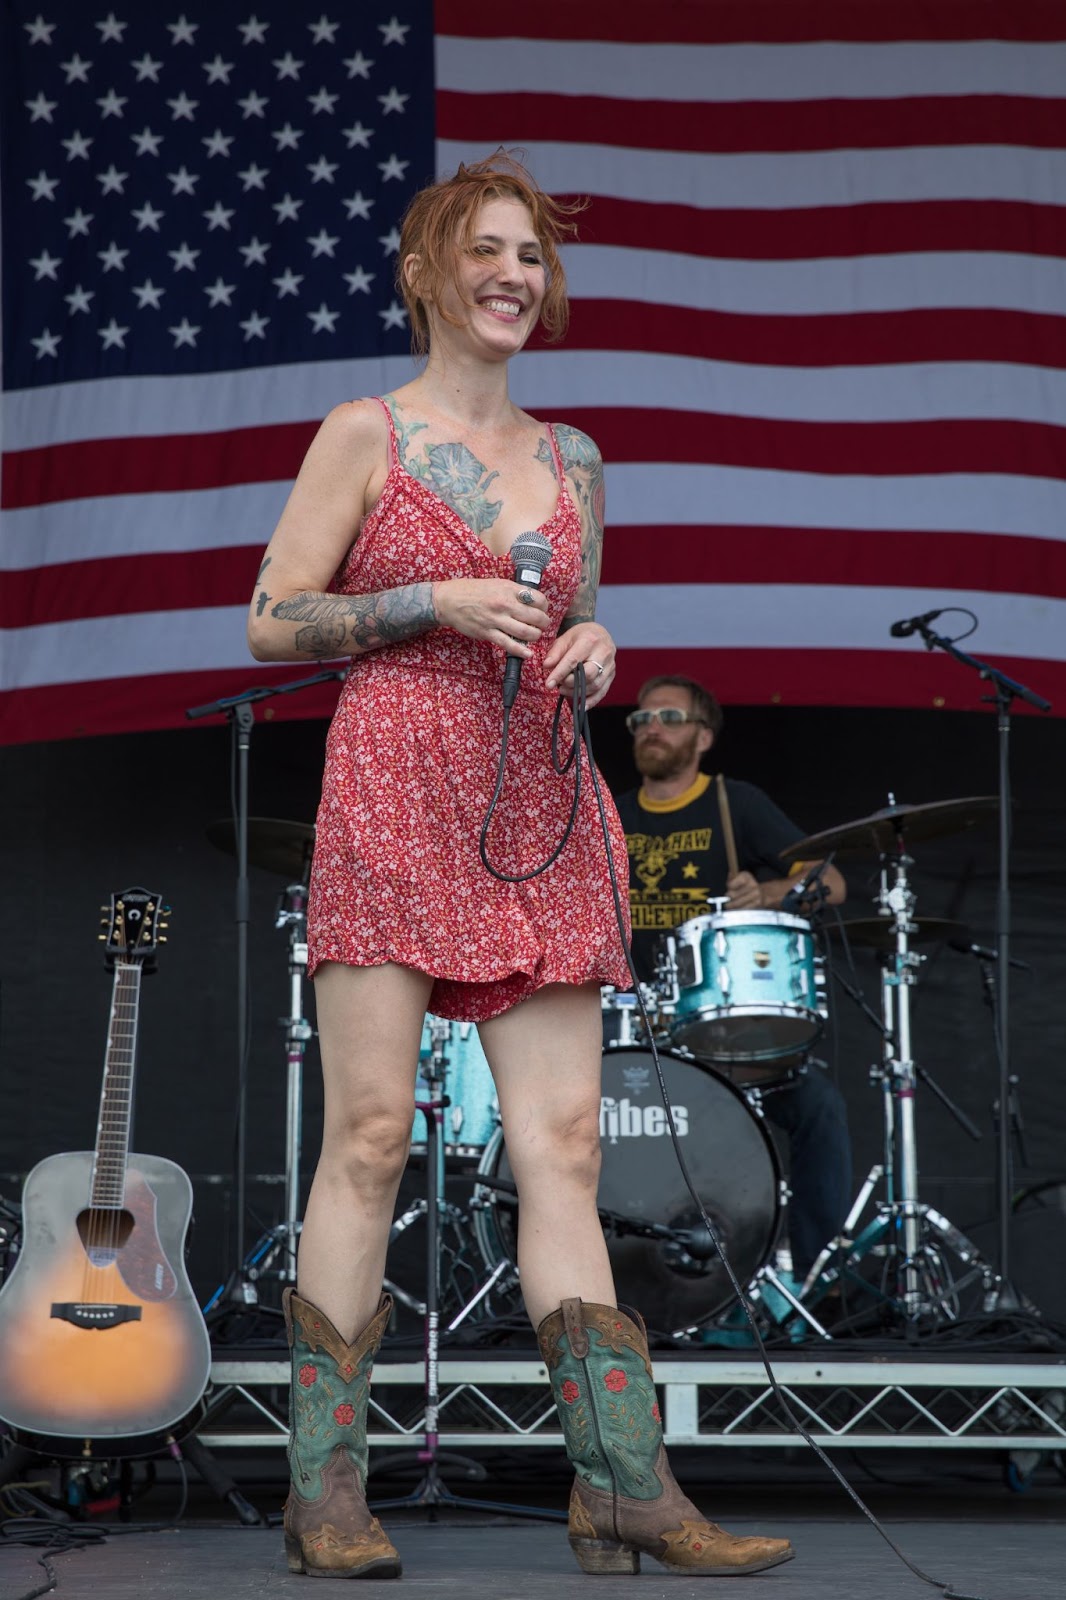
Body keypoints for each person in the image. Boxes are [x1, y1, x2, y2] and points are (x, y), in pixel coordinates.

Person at [247, 154, 792, 1580]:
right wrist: (428, 596)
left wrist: (594, 648)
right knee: (368, 1139)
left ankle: (620, 1485)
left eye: (532, 257)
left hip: (539, 799)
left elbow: (581, 621)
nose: (513, 274)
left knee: (559, 1143)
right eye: (486, 250)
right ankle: (328, 1495)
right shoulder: (363, 431)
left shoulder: (575, 458)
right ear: (429, 271)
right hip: (392, 778)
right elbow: (269, 617)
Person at [614, 674, 853, 1296]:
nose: (651, 728)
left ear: (703, 735)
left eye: (668, 716)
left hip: (721, 1030)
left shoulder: (734, 803)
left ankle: (817, 1284)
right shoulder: (610, 813)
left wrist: (770, 891)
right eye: (641, 719)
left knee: (819, 1109)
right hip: (633, 1029)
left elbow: (833, 885)